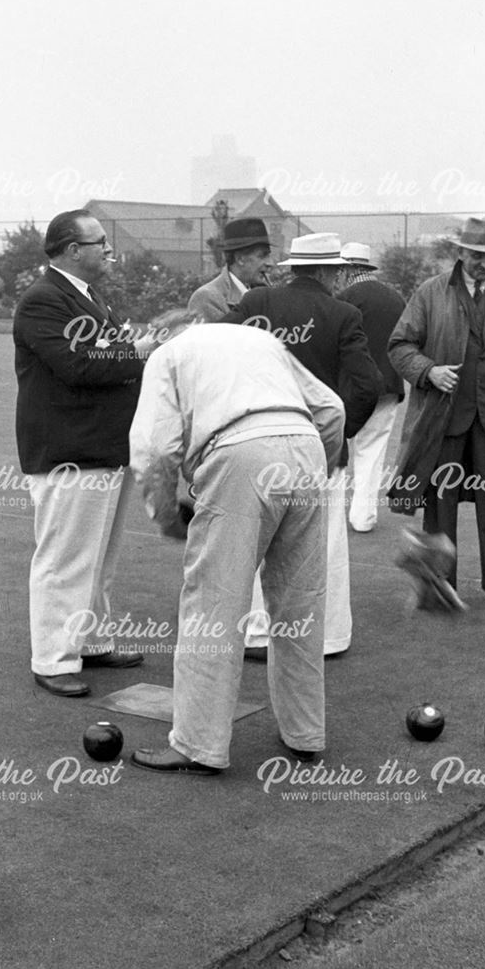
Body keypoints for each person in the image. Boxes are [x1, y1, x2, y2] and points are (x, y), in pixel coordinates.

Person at [128, 322, 345, 774]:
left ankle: (197, 745)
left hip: (239, 455)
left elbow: (154, 449)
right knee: (299, 602)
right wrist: (313, 468)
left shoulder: (166, 355)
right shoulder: (263, 340)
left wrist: (170, 519)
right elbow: (331, 409)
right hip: (306, 448)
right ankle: (305, 734)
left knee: (213, 605)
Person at [216, 233, 381, 656]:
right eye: (338, 270)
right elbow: (366, 386)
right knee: (320, 547)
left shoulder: (256, 303)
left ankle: (254, 633)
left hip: (255, 442)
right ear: (328, 271)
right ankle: (323, 637)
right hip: (316, 446)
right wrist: (336, 437)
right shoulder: (343, 314)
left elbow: (216, 354)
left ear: (295, 268)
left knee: (253, 538)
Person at [13, 209, 146, 697]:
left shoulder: (86, 297)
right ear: (72, 250)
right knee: (65, 559)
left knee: (99, 559)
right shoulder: (43, 300)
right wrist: (138, 351)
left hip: (105, 447)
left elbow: (103, 354)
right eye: (100, 244)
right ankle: (52, 657)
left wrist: (127, 348)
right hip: (69, 451)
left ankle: (91, 641)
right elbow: (77, 365)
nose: (109, 251)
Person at [387, 216, 485, 608]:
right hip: (443, 418)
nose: (483, 262)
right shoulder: (431, 293)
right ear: (460, 252)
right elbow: (400, 346)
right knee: (440, 500)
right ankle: (436, 583)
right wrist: (429, 371)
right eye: (475, 254)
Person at [186, 216, 274, 657]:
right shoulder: (208, 299)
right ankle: (227, 630)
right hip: (223, 428)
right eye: (261, 255)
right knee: (227, 536)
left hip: (264, 425)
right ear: (237, 259)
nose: (268, 262)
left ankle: (251, 628)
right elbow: (210, 366)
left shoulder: (270, 295)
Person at [337, 242, 406, 532]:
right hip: (389, 385)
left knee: (336, 451)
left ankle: (330, 516)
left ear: (349, 268)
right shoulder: (396, 299)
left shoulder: (342, 298)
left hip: (349, 386)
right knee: (373, 450)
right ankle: (363, 517)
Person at [187, 216, 272, 322]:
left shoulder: (266, 294)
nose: (270, 263)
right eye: (262, 256)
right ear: (240, 259)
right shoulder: (207, 299)